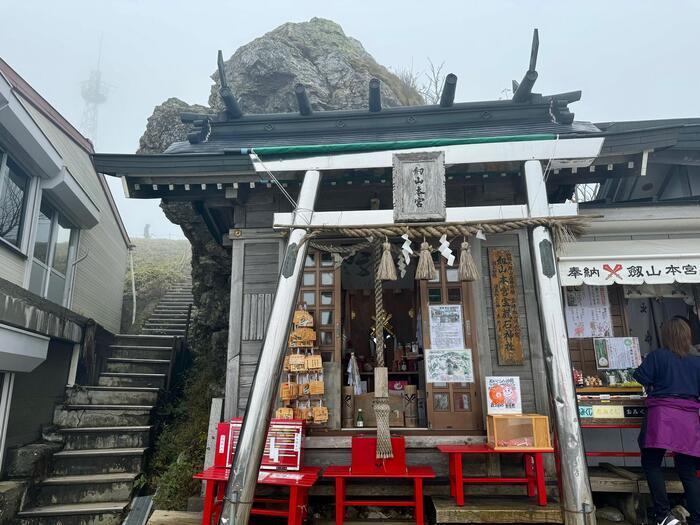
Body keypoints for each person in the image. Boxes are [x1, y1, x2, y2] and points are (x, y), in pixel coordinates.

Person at [633, 317, 700, 525]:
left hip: (661, 416)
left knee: (652, 463)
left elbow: (639, 376)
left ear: (666, 335)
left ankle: (663, 515)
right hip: (688, 418)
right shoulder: (697, 361)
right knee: (688, 471)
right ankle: (697, 518)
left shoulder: (657, 356)